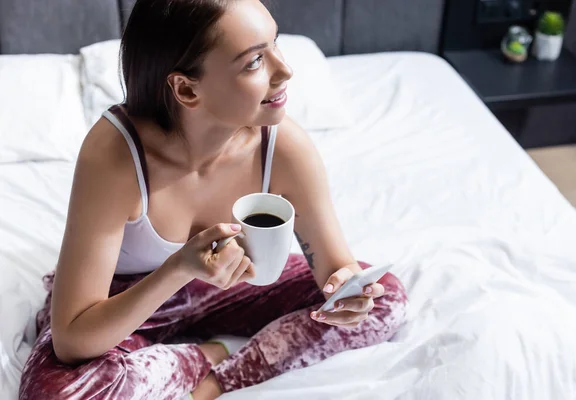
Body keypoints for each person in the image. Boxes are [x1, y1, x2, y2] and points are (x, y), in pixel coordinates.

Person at [18, 0, 408, 399]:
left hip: (235, 288)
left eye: (275, 44)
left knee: (386, 295)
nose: (286, 70)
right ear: (187, 88)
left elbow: (335, 268)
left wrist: (346, 292)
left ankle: (219, 378)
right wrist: (179, 268)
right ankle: (200, 355)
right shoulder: (115, 155)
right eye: (254, 61)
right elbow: (72, 340)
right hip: (128, 300)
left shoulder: (284, 146)